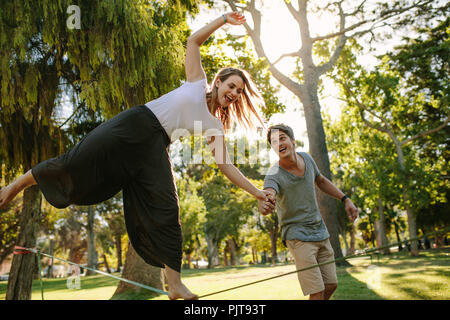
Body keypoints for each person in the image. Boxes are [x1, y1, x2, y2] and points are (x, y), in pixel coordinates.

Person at [0, 12, 273, 300]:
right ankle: (12, 187)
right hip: (133, 124)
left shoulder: (214, 126)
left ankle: (175, 285)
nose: (233, 93)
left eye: (239, 92)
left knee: (168, 209)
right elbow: (193, 40)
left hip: (155, 148)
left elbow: (225, 166)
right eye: (231, 86)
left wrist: (256, 192)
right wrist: (223, 20)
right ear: (218, 82)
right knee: (73, 162)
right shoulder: (196, 81)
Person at [258, 124, 358, 300]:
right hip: (297, 236)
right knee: (317, 291)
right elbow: (269, 192)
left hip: (320, 231)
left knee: (331, 284)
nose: (278, 143)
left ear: (293, 141)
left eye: (282, 138)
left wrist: (345, 199)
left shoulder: (307, 159)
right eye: (274, 142)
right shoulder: (273, 174)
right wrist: (265, 203)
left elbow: (320, 180)